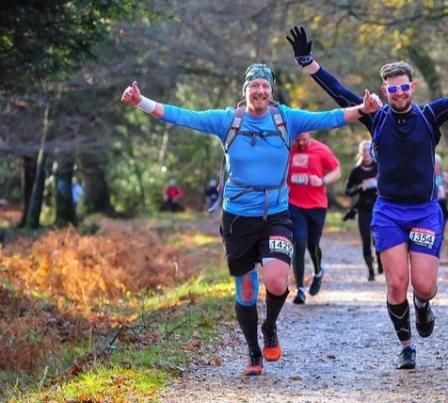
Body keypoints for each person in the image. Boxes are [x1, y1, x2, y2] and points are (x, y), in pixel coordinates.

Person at [287, 25, 448, 369]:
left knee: (424, 287)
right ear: (385, 90)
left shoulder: (429, 115)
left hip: (425, 211)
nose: (398, 93)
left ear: (412, 88)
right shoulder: (375, 116)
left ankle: (424, 307)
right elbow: (339, 93)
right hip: (388, 212)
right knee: (397, 285)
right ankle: (406, 345)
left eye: (404, 87)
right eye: (392, 88)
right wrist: (308, 63)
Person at [120, 63, 381, 376]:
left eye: (265, 86)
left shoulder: (287, 119)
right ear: (245, 91)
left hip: (276, 213)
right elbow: (182, 116)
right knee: (245, 290)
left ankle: (269, 326)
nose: (260, 91)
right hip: (239, 217)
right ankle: (253, 352)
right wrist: (141, 102)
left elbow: (329, 118)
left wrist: (362, 109)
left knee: (277, 279)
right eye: (254, 86)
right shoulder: (227, 120)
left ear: (271, 92)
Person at [287, 132, 341, 304]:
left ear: (309, 136)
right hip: (294, 204)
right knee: (299, 243)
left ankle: (318, 272)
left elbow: (337, 171)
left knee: (313, 244)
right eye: (298, 140)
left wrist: (322, 180)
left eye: (304, 139)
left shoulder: (321, 149)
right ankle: (300, 289)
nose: (301, 143)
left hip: (317, 205)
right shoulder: (288, 149)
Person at [344, 139, 383, 281]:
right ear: (360, 153)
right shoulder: (356, 171)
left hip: (378, 208)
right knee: (366, 239)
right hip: (363, 209)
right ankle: (370, 271)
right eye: (364, 150)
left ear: (373, 152)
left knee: (377, 238)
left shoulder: (379, 167)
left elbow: (390, 184)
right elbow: (348, 191)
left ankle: (380, 260)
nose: (367, 153)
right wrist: (361, 186)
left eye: (369, 150)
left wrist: (379, 186)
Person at [434, 154, 448, 223]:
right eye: (433, 163)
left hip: (443, 203)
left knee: (442, 221)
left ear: (440, 165)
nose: (435, 166)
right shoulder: (429, 176)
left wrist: (445, 191)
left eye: (437, 163)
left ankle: (441, 233)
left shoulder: (445, 176)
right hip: (433, 203)